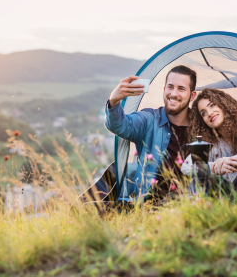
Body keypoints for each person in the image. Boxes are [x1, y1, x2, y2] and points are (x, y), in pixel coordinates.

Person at [74, 65, 197, 209]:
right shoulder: (150, 119)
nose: (174, 93)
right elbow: (120, 125)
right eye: (170, 87)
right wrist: (114, 100)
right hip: (146, 205)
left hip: (185, 206)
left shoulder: (202, 128)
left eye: (181, 89)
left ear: (192, 95)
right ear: (164, 90)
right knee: (83, 209)